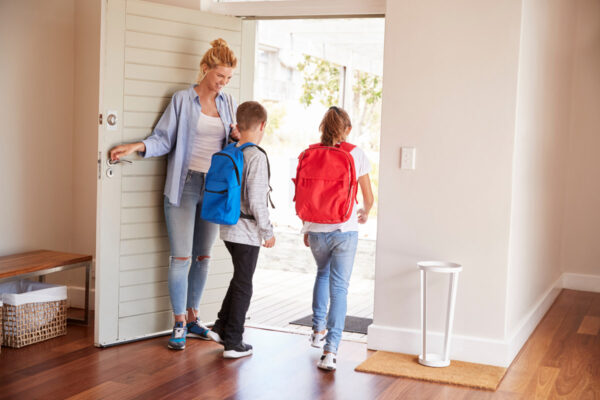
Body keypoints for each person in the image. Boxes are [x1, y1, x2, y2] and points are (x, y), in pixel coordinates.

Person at [108, 38, 239, 350]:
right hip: (184, 186)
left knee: (204, 257)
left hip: (215, 188)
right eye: (219, 76)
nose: (223, 83)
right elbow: (162, 139)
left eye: (228, 78)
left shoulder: (227, 103)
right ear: (205, 69)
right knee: (181, 257)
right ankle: (179, 321)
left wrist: (237, 138)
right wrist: (135, 146)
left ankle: (194, 318)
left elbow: (233, 145)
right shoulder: (182, 100)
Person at [302, 106, 374, 371]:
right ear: (347, 130)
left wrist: (307, 227)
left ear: (323, 128)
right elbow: (368, 196)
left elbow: (304, 193)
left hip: (316, 228)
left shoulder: (311, 152)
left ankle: (316, 330)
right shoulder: (355, 153)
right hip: (344, 229)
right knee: (340, 288)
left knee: (322, 273)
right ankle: (330, 351)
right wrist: (364, 213)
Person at [207, 101, 276, 358]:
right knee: (245, 283)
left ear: (238, 124)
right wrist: (267, 232)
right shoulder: (256, 155)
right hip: (246, 231)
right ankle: (234, 342)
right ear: (262, 126)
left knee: (239, 278)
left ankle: (221, 327)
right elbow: (258, 200)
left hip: (227, 227)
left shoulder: (233, 149)